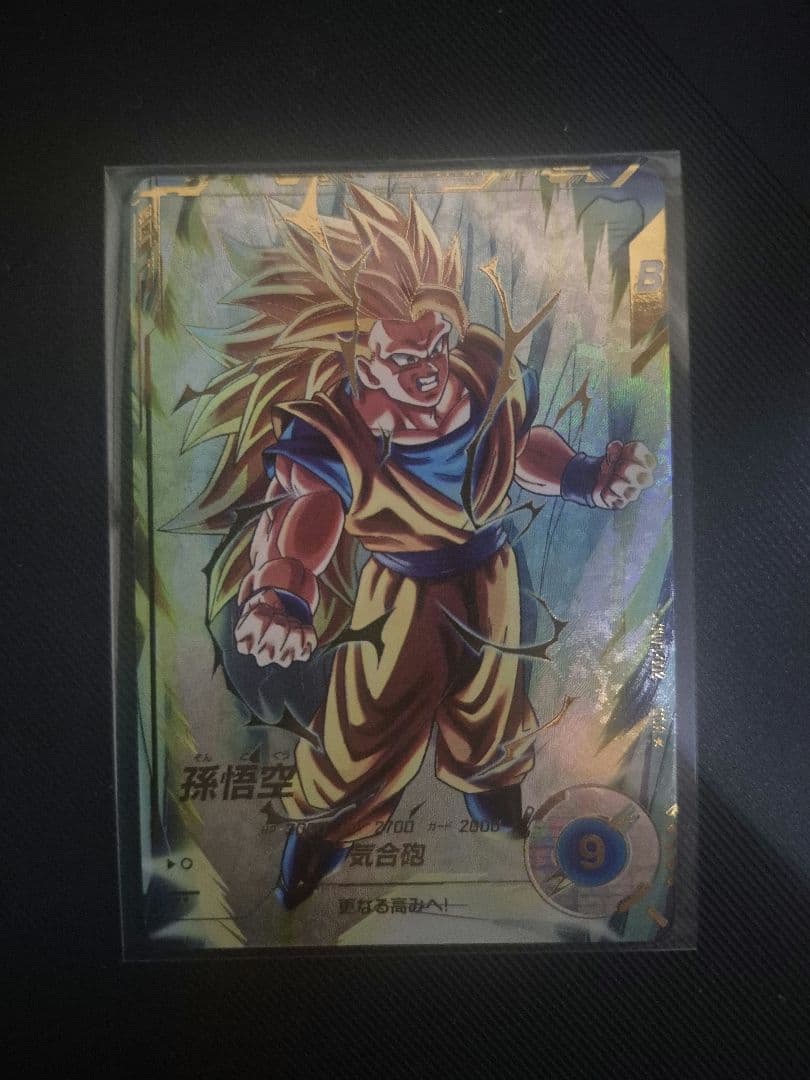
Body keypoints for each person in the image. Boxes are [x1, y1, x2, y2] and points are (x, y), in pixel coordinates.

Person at [179, 181, 655, 908]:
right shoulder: (337, 428)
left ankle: (498, 812)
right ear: (360, 358)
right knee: (365, 735)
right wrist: (282, 592)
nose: (431, 369)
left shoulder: (480, 373)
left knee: (492, 712)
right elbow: (309, 511)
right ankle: (319, 845)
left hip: (492, 576)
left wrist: (585, 477)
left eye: (438, 345)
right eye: (406, 360)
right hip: (400, 599)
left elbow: (514, 447)